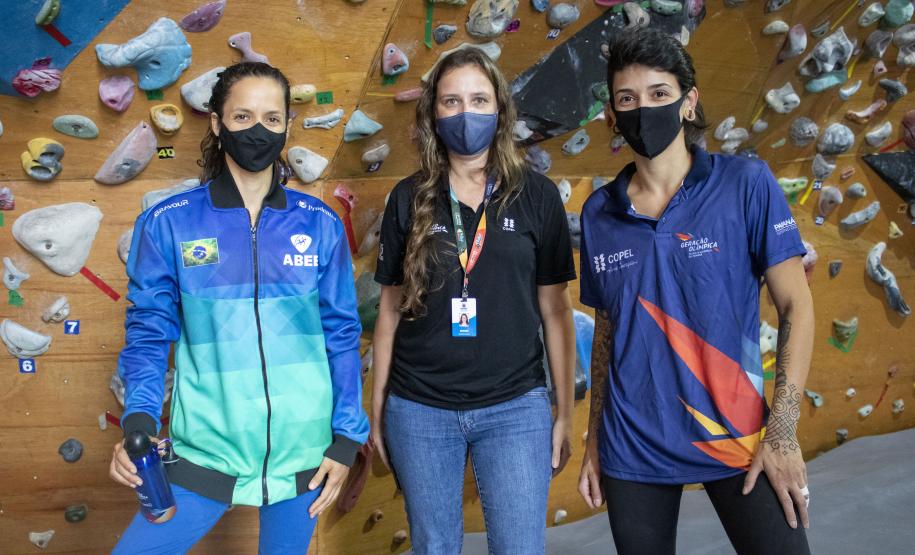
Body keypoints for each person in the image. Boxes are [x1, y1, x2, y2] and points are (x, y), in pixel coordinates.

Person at [109, 62, 368, 553]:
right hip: (205, 452)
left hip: (305, 455)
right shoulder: (168, 223)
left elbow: (340, 333)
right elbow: (148, 330)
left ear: (288, 126)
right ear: (216, 122)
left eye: (272, 119)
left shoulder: (320, 224)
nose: (258, 129)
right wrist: (139, 421)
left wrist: (346, 437)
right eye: (243, 116)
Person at [577, 28, 814, 555]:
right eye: (627, 99)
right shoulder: (599, 212)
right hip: (634, 446)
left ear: (689, 102)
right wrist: (595, 437)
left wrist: (783, 431)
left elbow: (797, 305)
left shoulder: (746, 184)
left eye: (659, 94)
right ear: (612, 117)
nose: (644, 109)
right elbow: (608, 330)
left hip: (742, 436)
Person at [371, 47, 577, 554]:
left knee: (519, 547)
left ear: (501, 110)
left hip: (515, 406)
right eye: (452, 101)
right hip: (419, 407)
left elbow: (555, 310)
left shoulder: (538, 196)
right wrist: (376, 408)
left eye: (479, 100)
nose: (466, 114)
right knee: (434, 546)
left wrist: (564, 412)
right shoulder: (408, 197)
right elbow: (390, 312)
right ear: (434, 115)